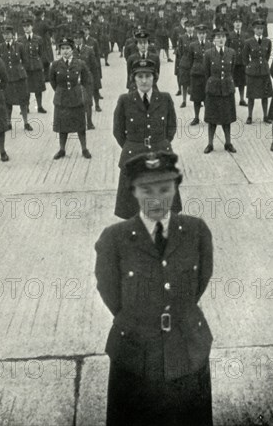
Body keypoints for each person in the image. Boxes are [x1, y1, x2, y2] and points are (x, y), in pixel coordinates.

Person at [95, 150, 214, 426]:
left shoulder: (196, 231)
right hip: (135, 356)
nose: (156, 198)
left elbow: (200, 281)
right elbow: (110, 292)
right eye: (146, 189)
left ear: (175, 189)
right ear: (133, 192)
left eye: (165, 188)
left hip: (187, 351)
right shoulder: (114, 239)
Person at [113, 58, 181, 219]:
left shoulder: (164, 98)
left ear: (154, 78)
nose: (144, 80)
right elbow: (118, 131)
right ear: (133, 79)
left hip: (160, 152)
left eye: (148, 76)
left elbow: (171, 127)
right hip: (133, 153)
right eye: (140, 76)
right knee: (132, 207)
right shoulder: (125, 100)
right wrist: (133, 145)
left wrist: (161, 143)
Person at [49, 37, 91, 159]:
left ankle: (84, 148)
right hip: (62, 99)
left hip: (76, 98)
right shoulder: (55, 65)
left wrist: (82, 94)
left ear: (72, 50)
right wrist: (60, 92)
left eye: (67, 48)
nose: (65, 51)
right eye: (62, 49)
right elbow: (53, 82)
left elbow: (86, 80)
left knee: (80, 124)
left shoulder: (80, 63)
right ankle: (62, 149)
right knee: (62, 125)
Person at [203, 27, 237, 153]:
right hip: (213, 89)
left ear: (226, 38)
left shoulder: (231, 52)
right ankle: (210, 144)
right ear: (213, 39)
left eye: (223, 36)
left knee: (227, 118)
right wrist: (213, 83)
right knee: (212, 118)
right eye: (218, 37)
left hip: (227, 89)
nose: (221, 39)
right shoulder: (208, 53)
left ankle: (228, 143)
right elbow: (207, 73)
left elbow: (231, 70)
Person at [0, 25, 32, 131]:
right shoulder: (0, 46)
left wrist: (21, 72)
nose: (6, 36)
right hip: (7, 77)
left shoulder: (20, 46)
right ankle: (8, 123)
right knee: (7, 101)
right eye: (4, 34)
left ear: (12, 35)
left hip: (19, 77)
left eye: (8, 34)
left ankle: (26, 123)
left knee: (23, 100)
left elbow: (26, 61)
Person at [243, 19, 273, 124]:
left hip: (264, 72)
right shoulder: (248, 42)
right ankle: (250, 116)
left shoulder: (267, 41)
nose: (259, 30)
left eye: (261, 28)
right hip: (253, 73)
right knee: (251, 95)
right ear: (254, 29)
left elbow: (268, 55)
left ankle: (266, 116)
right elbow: (245, 57)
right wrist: (251, 66)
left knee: (265, 95)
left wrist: (263, 64)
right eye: (257, 28)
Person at [19, 17, 47, 113]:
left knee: (38, 88)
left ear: (32, 27)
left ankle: (39, 106)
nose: (26, 28)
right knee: (25, 89)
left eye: (28, 26)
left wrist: (40, 64)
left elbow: (41, 53)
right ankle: (26, 107)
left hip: (36, 66)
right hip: (25, 68)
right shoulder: (20, 39)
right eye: (24, 26)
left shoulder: (38, 39)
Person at [188, 24, 212, 125]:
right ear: (197, 34)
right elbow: (190, 61)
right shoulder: (192, 45)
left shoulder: (210, 45)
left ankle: (208, 117)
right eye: (200, 34)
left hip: (206, 75)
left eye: (203, 33)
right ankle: (196, 117)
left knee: (207, 97)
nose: (201, 35)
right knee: (196, 98)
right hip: (196, 75)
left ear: (206, 34)